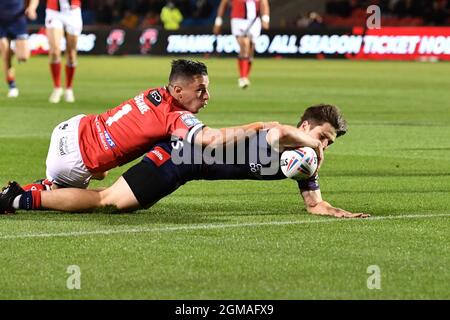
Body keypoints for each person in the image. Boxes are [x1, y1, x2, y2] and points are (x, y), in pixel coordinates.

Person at [0, 104, 369, 218]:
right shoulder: (286, 137)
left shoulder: (305, 161)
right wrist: (310, 142)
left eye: (328, 143)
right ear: (305, 127)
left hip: (183, 164)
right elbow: (278, 130)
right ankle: (18, 198)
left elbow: (314, 204)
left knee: (111, 200)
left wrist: (335, 211)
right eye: (323, 136)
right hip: (178, 159)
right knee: (107, 201)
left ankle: (39, 190)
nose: (324, 146)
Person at [8, 59, 276, 194]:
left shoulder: (153, 93)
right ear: (179, 90)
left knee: (96, 171)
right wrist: (259, 125)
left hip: (69, 127)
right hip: (74, 158)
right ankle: (33, 192)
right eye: (201, 90)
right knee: (94, 201)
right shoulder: (174, 116)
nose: (207, 97)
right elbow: (212, 140)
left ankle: (49, 184)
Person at [213, 0, 270, 89]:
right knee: (244, 45)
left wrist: (265, 18)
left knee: (250, 50)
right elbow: (223, 3)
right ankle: (243, 78)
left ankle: (246, 76)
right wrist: (218, 22)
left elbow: (264, 3)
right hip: (238, 20)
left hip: (254, 21)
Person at [45, 0, 83, 103]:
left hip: (72, 11)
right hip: (54, 11)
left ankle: (69, 88)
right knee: (54, 50)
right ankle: (57, 88)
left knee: (71, 54)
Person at [0, 0, 38, 98]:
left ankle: (11, 50)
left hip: (17, 19)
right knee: (4, 50)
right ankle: (12, 85)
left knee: (23, 57)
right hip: (1, 21)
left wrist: (32, 8)